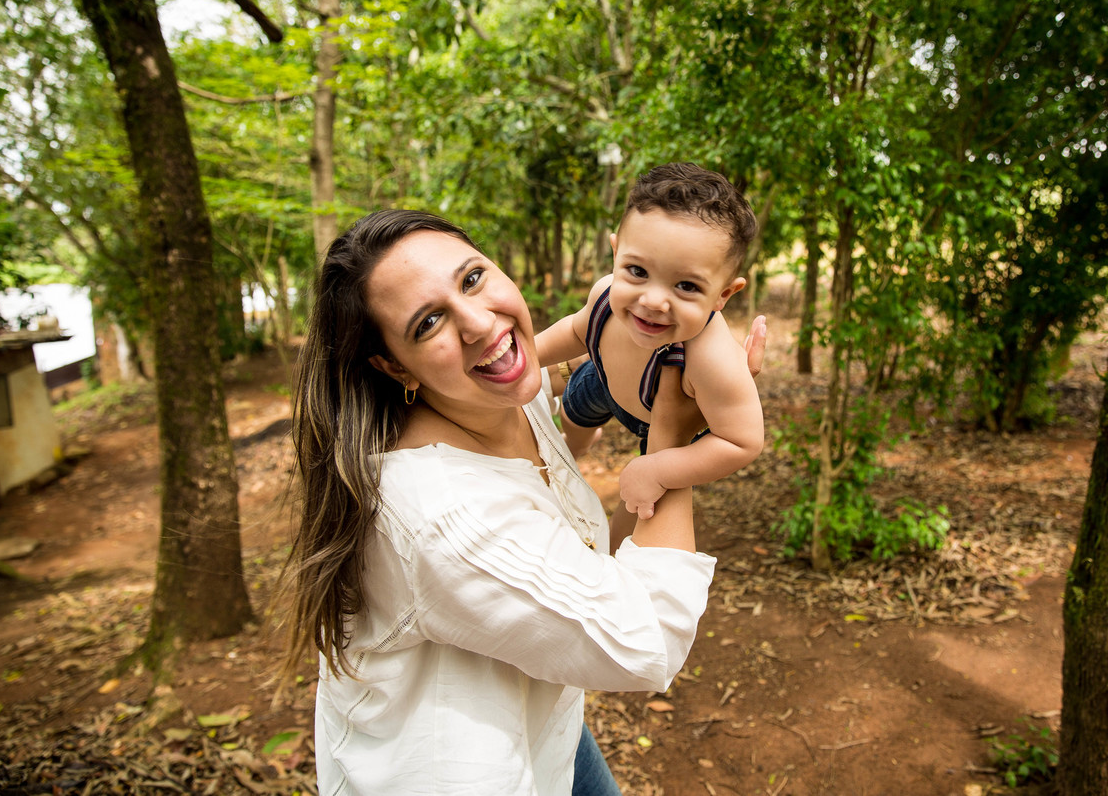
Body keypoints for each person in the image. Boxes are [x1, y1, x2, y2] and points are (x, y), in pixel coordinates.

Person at [284, 209, 766, 795]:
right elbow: (648, 640)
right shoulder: (445, 516)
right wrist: (674, 430)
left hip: (543, 724)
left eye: (472, 278)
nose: (479, 323)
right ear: (393, 365)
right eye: (428, 323)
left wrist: (689, 387)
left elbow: (598, 569)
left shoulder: (501, 400)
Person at [537, 162, 765, 547]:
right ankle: (576, 444)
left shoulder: (710, 358)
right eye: (638, 271)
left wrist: (659, 468)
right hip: (603, 377)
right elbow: (576, 330)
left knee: (642, 497)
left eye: (687, 286)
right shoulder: (605, 296)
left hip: (657, 422)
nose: (654, 301)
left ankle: (610, 554)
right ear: (616, 255)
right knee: (576, 410)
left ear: (723, 294)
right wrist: (527, 352)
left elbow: (742, 441)